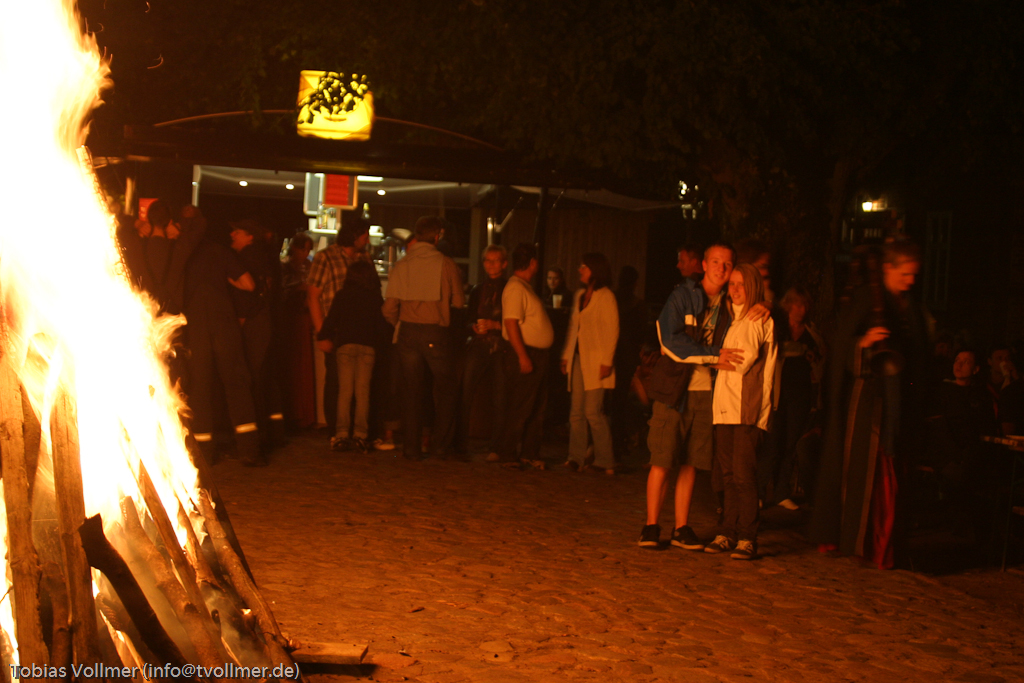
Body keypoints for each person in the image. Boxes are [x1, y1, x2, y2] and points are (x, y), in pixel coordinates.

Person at [809, 240, 932, 569]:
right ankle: (857, 539)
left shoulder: (909, 306)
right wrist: (863, 344)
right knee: (863, 471)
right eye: (905, 274)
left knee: (891, 472)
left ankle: (884, 543)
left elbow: (919, 357)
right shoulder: (867, 297)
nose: (910, 281)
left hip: (897, 402)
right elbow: (842, 347)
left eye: (914, 275)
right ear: (889, 269)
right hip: (866, 402)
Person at [639, 244, 746, 550]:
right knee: (662, 459)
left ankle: (681, 527)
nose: (721, 268)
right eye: (716, 262)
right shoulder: (683, 296)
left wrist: (764, 305)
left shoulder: (730, 304)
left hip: (707, 393)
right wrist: (713, 355)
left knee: (691, 462)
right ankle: (651, 526)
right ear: (704, 265)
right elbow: (669, 341)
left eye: (727, 264)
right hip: (674, 389)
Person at [704, 263, 777, 560]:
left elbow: (740, 361)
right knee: (728, 474)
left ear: (753, 287)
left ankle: (747, 536)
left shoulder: (756, 319)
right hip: (724, 408)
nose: (734, 289)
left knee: (744, 475)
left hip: (747, 409)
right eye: (731, 284)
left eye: (741, 284)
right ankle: (727, 532)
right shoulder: (731, 319)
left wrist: (707, 359)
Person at [383, 216, 465, 460]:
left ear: (417, 235)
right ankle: (440, 445)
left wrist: (397, 322)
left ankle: (411, 448)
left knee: (411, 391)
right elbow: (459, 302)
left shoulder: (402, 264)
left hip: (408, 332)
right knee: (447, 389)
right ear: (437, 236)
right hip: (435, 332)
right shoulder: (446, 264)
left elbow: (389, 307)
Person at [182, 216, 262, 466]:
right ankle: (249, 449)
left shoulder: (182, 251)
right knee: (236, 383)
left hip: (194, 324)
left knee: (199, 385)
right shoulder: (219, 251)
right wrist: (226, 279)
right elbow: (248, 284)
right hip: (223, 321)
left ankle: (202, 452)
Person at [757, 287, 825, 510]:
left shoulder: (811, 332)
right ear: (788, 305)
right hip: (777, 394)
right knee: (772, 444)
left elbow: (820, 360)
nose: (802, 309)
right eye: (798, 304)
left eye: (805, 305)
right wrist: (798, 349)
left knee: (790, 444)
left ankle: (781, 493)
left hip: (800, 395)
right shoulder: (778, 328)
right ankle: (759, 492)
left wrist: (812, 357)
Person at [307, 213, 372, 435]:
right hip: (335, 330)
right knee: (336, 381)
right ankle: (336, 430)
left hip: (360, 331)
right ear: (354, 235)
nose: (367, 240)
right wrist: (322, 333)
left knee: (359, 384)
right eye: (365, 235)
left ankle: (352, 429)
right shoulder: (325, 257)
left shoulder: (364, 258)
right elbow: (313, 296)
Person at [318, 260, 391, 452]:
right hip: (367, 348)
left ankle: (341, 434)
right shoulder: (374, 298)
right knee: (363, 393)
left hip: (345, 346)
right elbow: (381, 326)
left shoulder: (342, 296)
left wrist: (322, 336)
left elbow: (331, 319)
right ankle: (361, 434)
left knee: (345, 392)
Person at [561, 253, 619, 473]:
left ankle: (605, 459)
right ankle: (575, 457)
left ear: (595, 270)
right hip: (579, 358)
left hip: (596, 360)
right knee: (576, 411)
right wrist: (566, 356)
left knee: (593, 411)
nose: (580, 270)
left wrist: (607, 361)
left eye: (584, 267)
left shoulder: (606, 297)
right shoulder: (580, 295)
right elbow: (573, 328)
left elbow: (612, 329)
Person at [498, 243, 554, 465]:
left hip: (535, 353)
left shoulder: (523, 287)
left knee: (535, 407)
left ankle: (529, 453)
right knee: (521, 406)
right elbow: (511, 323)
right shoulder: (515, 288)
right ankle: (508, 453)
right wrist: (522, 355)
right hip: (526, 352)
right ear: (532, 263)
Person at [459, 245, 508, 458]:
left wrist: (496, 325)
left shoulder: (509, 289)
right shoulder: (478, 289)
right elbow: (468, 319)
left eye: (495, 260)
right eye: (487, 260)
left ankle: (496, 446)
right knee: (465, 390)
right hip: (479, 344)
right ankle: (460, 443)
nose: (491, 264)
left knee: (500, 395)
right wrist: (474, 327)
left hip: (500, 346)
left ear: (504, 264)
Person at [278, 233, 316, 429]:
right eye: (303, 249)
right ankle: (295, 412)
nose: (306, 253)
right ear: (294, 248)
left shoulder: (310, 266)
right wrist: (300, 288)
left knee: (306, 365)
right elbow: (283, 291)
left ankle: (306, 413)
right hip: (291, 318)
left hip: (306, 317)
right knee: (294, 364)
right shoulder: (285, 266)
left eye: (309, 250)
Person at [612, 266, 648, 461]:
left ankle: (613, 443)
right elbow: (641, 333)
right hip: (626, 357)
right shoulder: (637, 305)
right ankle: (618, 443)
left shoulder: (613, 300)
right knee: (620, 401)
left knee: (611, 401)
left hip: (612, 355)